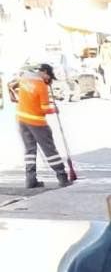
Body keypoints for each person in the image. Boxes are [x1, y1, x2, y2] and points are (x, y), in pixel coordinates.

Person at [15, 63, 70, 191]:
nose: (48, 79)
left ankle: (30, 180)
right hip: (36, 122)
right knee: (50, 150)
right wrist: (54, 109)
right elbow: (44, 109)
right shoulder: (41, 85)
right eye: (48, 76)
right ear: (44, 72)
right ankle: (62, 177)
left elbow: (13, 89)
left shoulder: (24, 79)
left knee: (30, 151)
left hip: (21, 119)